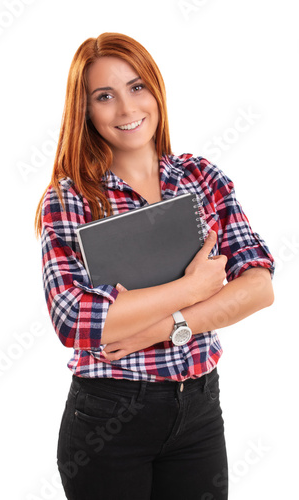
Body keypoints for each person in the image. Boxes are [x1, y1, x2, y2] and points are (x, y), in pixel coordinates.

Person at [35, 32, 275, 500]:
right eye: (105, 96)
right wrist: (193, 288)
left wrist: (159, 327)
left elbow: (259, 286)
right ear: (84, 111)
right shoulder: (70, 199)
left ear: (157, 91)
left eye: (136, 87)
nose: (126, 109)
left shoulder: (199, 177)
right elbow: (73, 319)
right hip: (109, 418)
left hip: (200, 409)